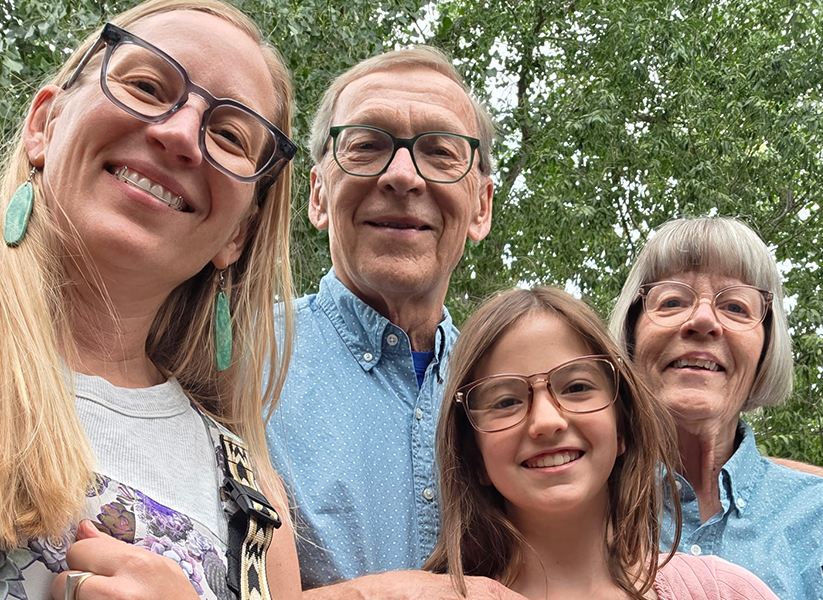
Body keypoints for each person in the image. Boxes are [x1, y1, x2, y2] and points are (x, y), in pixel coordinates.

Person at [0, 0, 300, 598]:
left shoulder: (254, 498)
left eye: (230, 135)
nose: (180, 134)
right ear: (44, 126)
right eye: (144, 85)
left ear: (237, 235)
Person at [267, 45, 502, 597]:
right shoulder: (231, 361)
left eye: (441, 152)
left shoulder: (517, 394)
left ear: (481, 207)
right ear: (319, 194)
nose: (402, 176)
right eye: (367, 146)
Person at [424, 286, 779, 599]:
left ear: (621, 426)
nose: (547, 421)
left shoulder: (723, 592)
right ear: (473, 455)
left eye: (577, 387)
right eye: (506, 401)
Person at [608, 216, 823, 599]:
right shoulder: (568, 507)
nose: (702, 320)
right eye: (672, 300)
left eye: (735, 307)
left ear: (766, 348)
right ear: (631, 335)